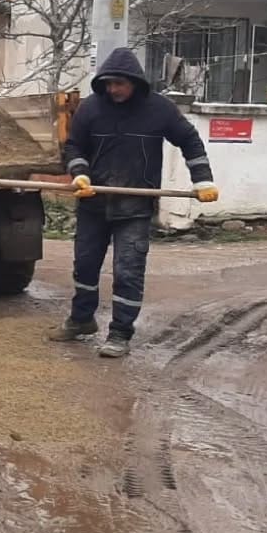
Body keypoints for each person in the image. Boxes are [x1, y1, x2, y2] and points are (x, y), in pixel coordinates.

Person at [48, 47, 219, 358]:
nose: (113, 89)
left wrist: (203, 179)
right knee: (85, 266)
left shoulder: (159, 110)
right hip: (94, 203)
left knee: (128, 271)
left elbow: (189, 140)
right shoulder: (90, 109)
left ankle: (120, 334)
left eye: (119, 84)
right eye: (109, 83)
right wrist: (80, 173)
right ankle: (81, 320)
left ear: (134, 82)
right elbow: (74, 146)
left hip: (135, 207)